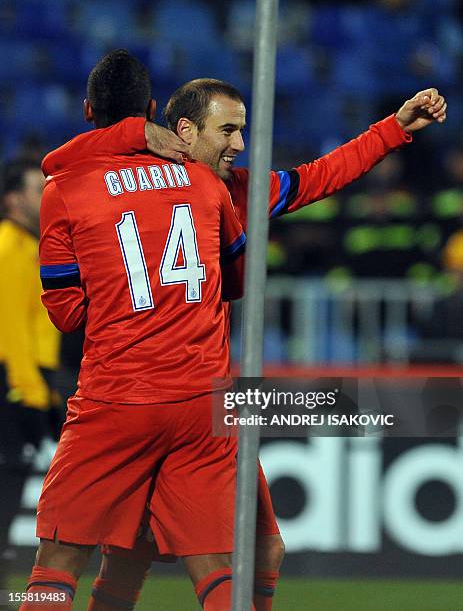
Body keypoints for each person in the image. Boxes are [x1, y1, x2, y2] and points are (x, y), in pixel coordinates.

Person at [56, 80, 446, 611]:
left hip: (174, 399)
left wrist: (392, 131)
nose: (240, 143)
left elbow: (317, 177)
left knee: (253, 549)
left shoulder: (223, 186)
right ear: (184, 132)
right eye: (229, 130)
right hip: (168, 397)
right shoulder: (186, 189)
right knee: (157, 556)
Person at [20, 50, 247, 611]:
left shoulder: (63, 190)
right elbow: (236, 280)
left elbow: (67, 314)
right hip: (201, 402)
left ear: (86, 110)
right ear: (153, 110)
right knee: (216, 570)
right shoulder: (201, 180)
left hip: (116, 398)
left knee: (57, 566)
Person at [0, 160, 62, 586]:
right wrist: (30, 394)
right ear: (13, 199)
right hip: (13, 391)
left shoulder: (29, 246)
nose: (47, 198)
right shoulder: (8, 248)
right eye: (39, 190)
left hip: (28, 386)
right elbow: (9, 334)